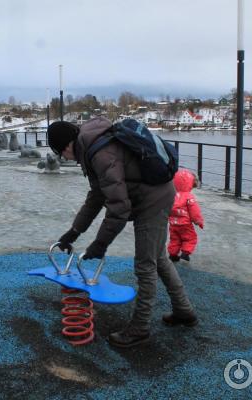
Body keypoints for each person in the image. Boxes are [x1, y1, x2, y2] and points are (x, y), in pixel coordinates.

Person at [47, 117, 198, 348]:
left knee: (145, 263)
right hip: (153, 193)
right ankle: (184, 311)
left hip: (153, 199)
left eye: (60, 154)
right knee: (158, 258)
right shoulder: (92, 145)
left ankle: (140, 328)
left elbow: (119, 208)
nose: (64, 159)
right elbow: (97, 196)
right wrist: (73, 232)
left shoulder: (99, 153)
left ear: (66, 146)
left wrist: (99, 244)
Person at [168, 169, 204, 262]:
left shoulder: (171, 195)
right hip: (185, 224)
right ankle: (185, 253)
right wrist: (198, 221)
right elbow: (194, 211)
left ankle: (173, 254)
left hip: (173, 224)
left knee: (174, 239)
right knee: (190, 238)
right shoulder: (189, 196)